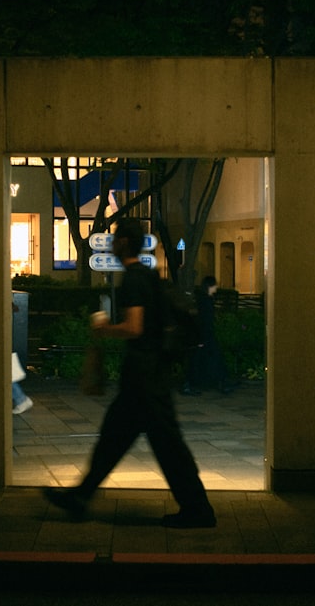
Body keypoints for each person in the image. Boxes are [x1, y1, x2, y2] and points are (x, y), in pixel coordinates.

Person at [43, 218, 216, 528]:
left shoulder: (134, 280)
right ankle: (80, 497)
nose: (111, 242)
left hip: (145, 380)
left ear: (123, 242)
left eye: (115, 237)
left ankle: (198, 510)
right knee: (113, 440)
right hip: (146, 378)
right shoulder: (147, 276)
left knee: (168, 447)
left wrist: (103, 328)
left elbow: (134, 327)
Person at [191, 275, 233, 394]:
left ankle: (220, 381)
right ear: (210, 286)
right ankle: (220, 382)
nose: (217, 287)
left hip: (206, 334)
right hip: (206, 335)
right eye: (215, 285)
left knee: (208, 358)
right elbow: (204, 320)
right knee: (211, 358)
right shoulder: (205, 301)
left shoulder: (204, 300)